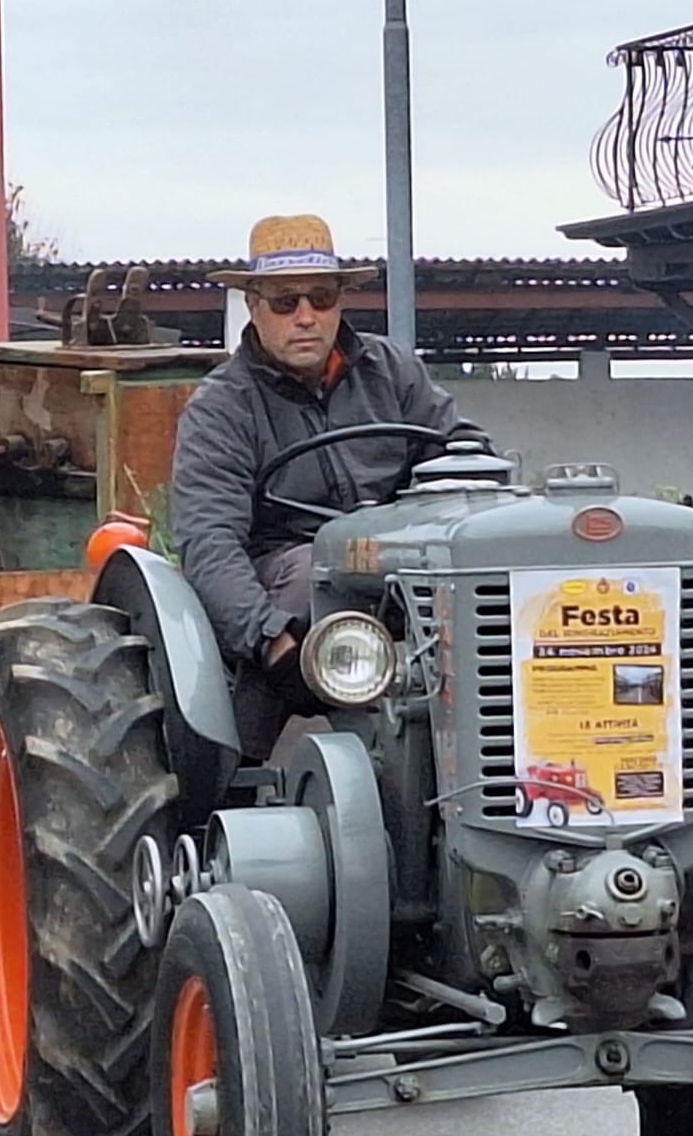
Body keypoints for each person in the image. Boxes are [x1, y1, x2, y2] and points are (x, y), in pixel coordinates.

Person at [170, 214, 489, 759]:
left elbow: (460, 447)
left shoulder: (392, 372)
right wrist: (273, 640)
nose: (305, 317)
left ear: (341, 301)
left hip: (404, 561)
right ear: (253, 305)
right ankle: (238, 777)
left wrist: (476, 474)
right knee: (310, 577)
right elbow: (210, 542)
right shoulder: (222, 407)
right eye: (285, 302)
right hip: (284, 573)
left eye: (320, 298)